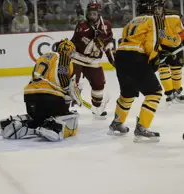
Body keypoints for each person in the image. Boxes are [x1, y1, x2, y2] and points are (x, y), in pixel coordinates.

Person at [108, 0, 179, 142]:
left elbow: (136, 40)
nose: (158, 11)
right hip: (136, 57)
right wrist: (154, 60)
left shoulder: (132, 21)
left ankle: (117, 123)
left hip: (121, 56)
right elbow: (150, 42)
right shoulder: (153, 19)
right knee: (155, 93)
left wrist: (159, 51)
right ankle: (142, 127)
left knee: (127, 94)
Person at [0, 39, 83, 142]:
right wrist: (72, 94)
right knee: (71, 124)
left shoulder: (43, 57)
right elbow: (62, 78)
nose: (72, 55)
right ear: (67, 50)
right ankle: (52, 127)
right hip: (51, 100)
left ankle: (25, 127)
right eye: (72, 52)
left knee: (38, 119)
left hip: (30, 99)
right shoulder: (63, 57)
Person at [70, 1, 114, 118]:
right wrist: (97, 40)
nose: (92, 16)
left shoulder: (106, 25)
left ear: (98, 13)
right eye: (90, 14)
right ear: (86, 13)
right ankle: (69, 107)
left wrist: (113, 60)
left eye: (94, 14)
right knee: (72, 82)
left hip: (93, 61)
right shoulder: (81, 26)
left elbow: (108, 44)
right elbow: (84, 48)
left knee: (99, 85)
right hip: (78, 58)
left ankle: (96, 107)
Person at [155, 1, 184, 104]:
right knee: (163, 71)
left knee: (176, 70)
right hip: (160, 48)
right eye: (155, 8)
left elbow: (182, 32)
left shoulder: (173, 17)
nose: (157, 10)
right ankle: (169, 93)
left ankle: (177, 91)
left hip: (175, 46)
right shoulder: (150, 20)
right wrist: (158, 50)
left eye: (159, 8)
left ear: (163, 8)